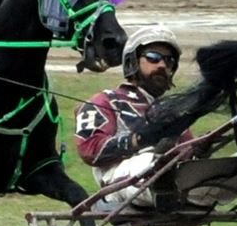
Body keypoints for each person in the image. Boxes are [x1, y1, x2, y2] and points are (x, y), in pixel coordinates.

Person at [73, 24, 190, 208]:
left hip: (174, 174)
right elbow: (90, 150)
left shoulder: (170, 110)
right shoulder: (105, 101)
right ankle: (166, 182)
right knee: (153, 161)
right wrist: (137, 140)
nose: (162, 65)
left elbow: (186, 151)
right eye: (153, 57)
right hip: (120, 179)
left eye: (169, 61)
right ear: (132, 61)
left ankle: (176, 185)